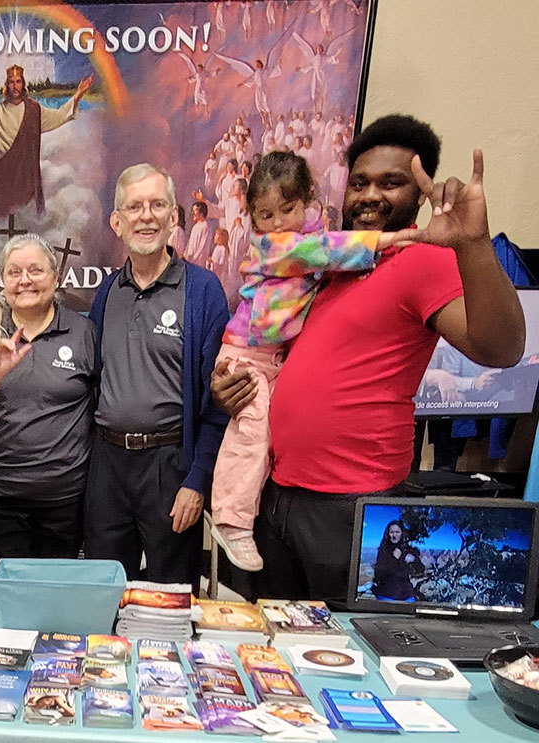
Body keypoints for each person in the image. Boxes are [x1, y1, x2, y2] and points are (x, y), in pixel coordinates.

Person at [212, 114, 525, 606]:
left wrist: (473, 244)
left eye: (391, 183)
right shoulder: (335, 264)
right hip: (279, 496)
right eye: (359, 183)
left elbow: (501, 349)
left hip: (352, 507)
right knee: (277, 655)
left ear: (419, 196)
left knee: (343, 658)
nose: (370, 195)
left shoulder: (424, 260)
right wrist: (231, 388)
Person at [209, 151, 406, 572]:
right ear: (252, 217)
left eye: (287, 209)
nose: (277, 222)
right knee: (252, 434)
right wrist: (390, 241)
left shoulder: (312, 239)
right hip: (247, 353)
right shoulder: (275, 248)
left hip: (274, 356)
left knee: (270, 436)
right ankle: (230, 520)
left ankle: (245, 512)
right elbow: (324, 251)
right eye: (265, 214)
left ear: (308, 202)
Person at [86, 163, 229, 587]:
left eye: (157, 205)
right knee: (105, 594)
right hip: (108, 467)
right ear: (117, 221)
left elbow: (219, 402)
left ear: (173, 218)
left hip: (171, 468)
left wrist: (197, 480)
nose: (146, 216)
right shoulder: (106, 294)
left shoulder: (203, 291)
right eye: (134, 207)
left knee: (171, 597)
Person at [0, 233, 96, 597]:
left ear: (56, 277)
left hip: (63, 502)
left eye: (35, 270)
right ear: (3, 281)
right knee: (2, 599)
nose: (25, 280)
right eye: (14, 272)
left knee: (54, 600)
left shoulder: (84, 332)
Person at [0, 66, 93, 220]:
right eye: (11, 82)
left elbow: (59, 115)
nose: (15, 86)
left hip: (27, 182)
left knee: (28, 224)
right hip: (4, 181)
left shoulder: (34, 110)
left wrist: (78, 94)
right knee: (2, 225)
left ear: (23, 84)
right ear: (6, 85)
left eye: (18, 82)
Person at [372, 520, 423, 601]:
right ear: (388, 534)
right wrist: (394, 559)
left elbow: (420, 569)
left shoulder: (408, 550)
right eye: (392, 532)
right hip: (387, 595)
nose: (394, 535)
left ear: (402, 533)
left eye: (397, 532)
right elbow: (379, 574)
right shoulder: (383, 551)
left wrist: (414, 560)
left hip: (406, 596)